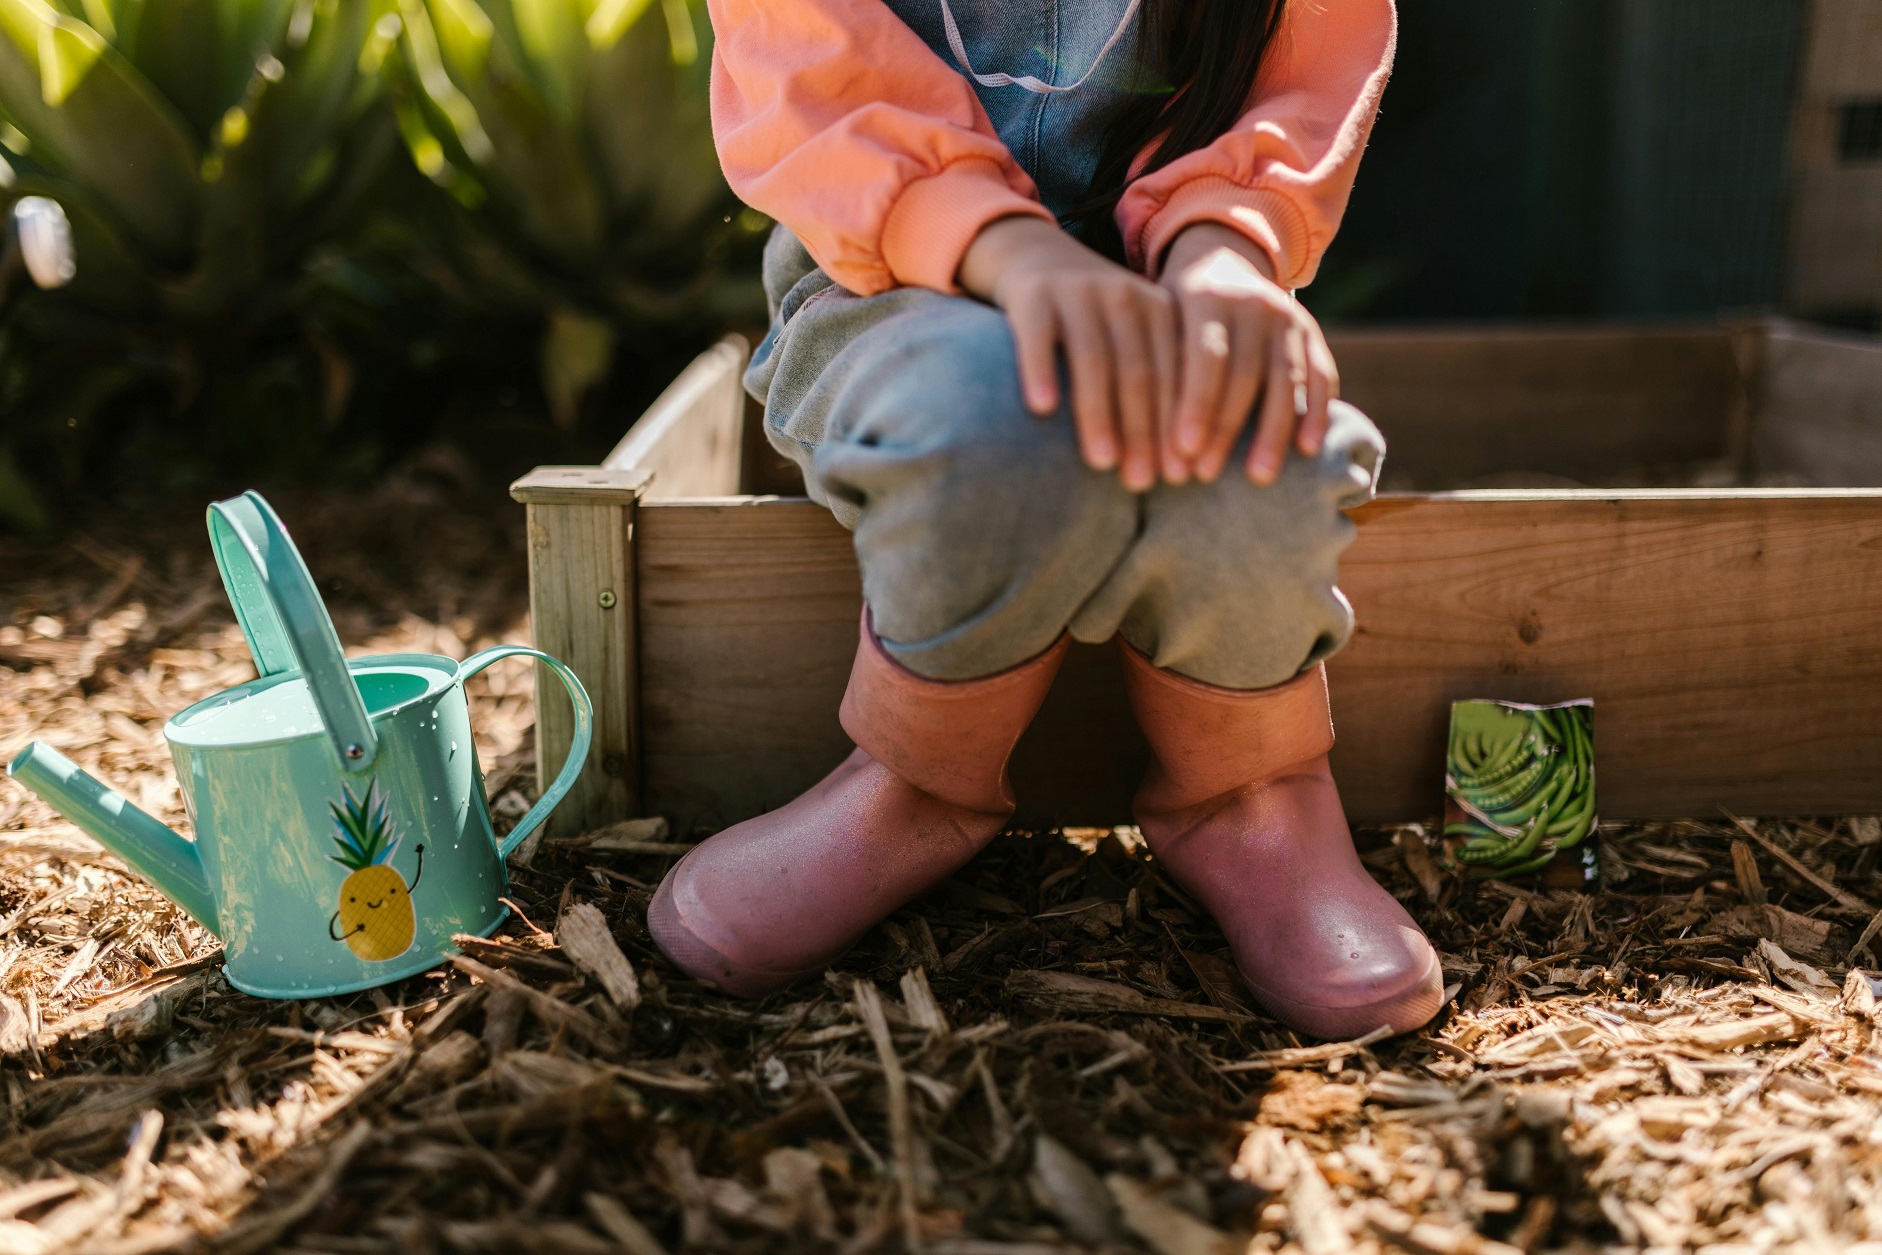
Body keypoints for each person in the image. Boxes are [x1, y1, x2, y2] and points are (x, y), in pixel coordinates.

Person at [647, 0, 1441, 1040]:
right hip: (884, 275)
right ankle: (921, 785)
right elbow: (808, 57)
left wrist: (1226, 242)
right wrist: (1002, 246)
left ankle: (1248, 792)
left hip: (1176, 266)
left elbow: (1309, 52)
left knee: (1262, 433)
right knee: (992, 420)